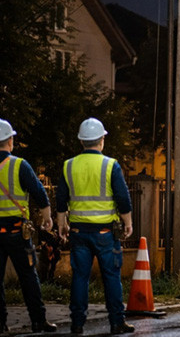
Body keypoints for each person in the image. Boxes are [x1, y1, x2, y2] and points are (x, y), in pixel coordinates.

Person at [0, 119, 58, 334]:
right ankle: (37, 321)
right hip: (17, 232)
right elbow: (40, 194)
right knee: (28, 276)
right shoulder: (19, 165)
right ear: (10, 140)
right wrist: (47, 218)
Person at [57, 118, 134, 335]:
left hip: (78, 232)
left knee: (80, 277)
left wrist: (62, 224)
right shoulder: (111, 165)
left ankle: (77, 323)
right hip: (105, 233)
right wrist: (128, 222)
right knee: (111, 277)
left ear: (81, 141)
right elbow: (122, 197)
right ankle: (117, 323)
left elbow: (61, 198)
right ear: (101, 140)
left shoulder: (68, 165)